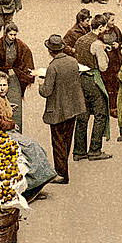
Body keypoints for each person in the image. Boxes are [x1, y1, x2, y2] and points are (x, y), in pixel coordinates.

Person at [0, 72, 55, 200]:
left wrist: (9, 111)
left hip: (6, 132)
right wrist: (12, 124)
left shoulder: (0, 98)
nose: (2, 88)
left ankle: (37, 183)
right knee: (31, 147)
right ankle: (30, 187)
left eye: (5, 85)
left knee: (35, 146)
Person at [40, 34, 87, 184]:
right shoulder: (73, 62)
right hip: (72, 107)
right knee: (67, 139)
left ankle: (61, 173)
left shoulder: (53, 67)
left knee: (58, 141)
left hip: (58, 109)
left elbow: (47, 91)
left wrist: (40, 85)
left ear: (50, 51)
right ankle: (63, 168)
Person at [74, 15, 112, 161]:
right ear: (101, 27)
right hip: (92, 80)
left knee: (82, 115)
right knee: (101, 113)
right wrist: (104, 53)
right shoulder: (97, 44)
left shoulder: (80, 40)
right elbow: (103, 67)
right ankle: (95, 150)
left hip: (79, 80)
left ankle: (79, 151)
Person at [0, 22, 35, 132]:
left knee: (16, 105)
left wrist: (20, 72)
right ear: (5, 34)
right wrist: (5, 70)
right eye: (11, 35)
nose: (13, 37)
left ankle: (16, 130)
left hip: (14, 80)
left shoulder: (20, 45)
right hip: (1, 78)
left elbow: (27, 57)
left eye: (15, 35)